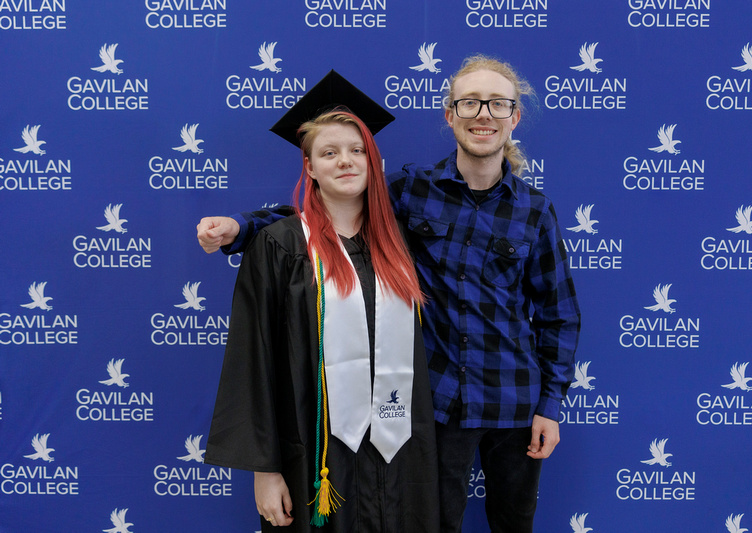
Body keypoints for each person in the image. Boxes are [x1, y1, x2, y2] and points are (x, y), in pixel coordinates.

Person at [199, 56, 581, 533]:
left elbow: (558, 313)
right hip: (437, 406)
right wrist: (242, 228)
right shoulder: (412, 194)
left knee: (512, 522)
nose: (484, 113)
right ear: (450, 114)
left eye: (498, 103)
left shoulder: (528, 211)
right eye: (469, 102)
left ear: (513, 116)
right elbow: (320, 211)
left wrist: (551, 403)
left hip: (496, 405)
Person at [204, 71, 438, 532]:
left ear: (374, 163)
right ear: (309, 167)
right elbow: (254, 361)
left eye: (356, 151)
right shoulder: (281, 246)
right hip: (314, 452)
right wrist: (265, 472)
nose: (345, 162)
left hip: (401, 456)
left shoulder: (401, 244)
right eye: (329, 153)